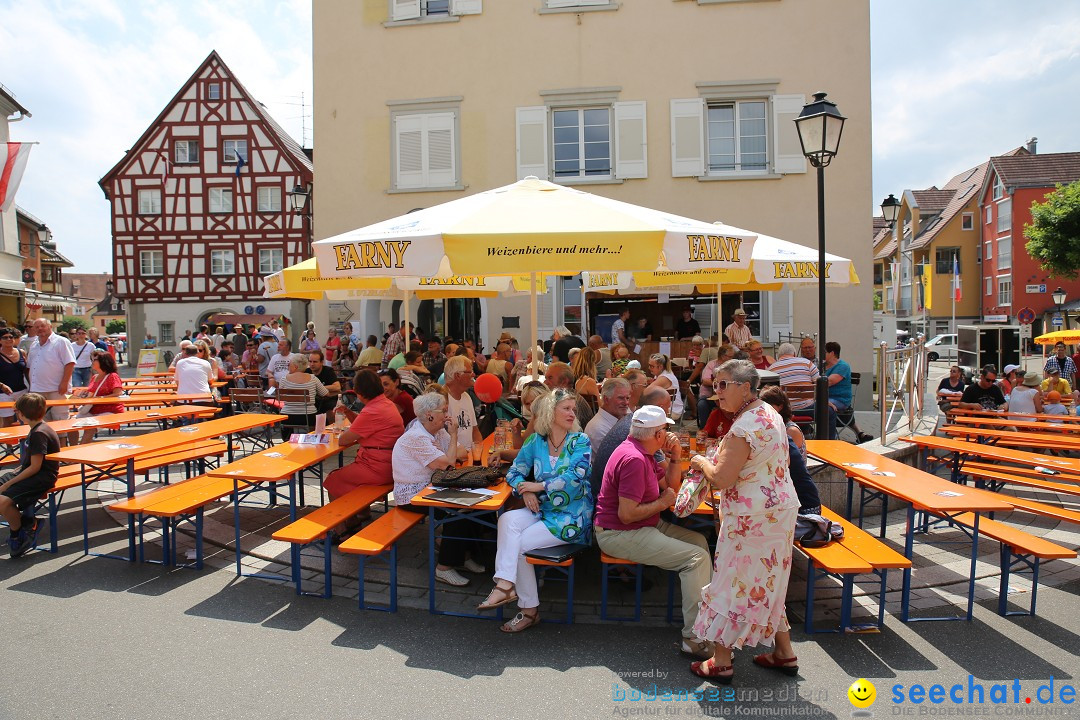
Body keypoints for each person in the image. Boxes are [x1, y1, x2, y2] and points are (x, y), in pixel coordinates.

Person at [687, 359, 801, 681]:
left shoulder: (743, 426)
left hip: (751, 518)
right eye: (715, 384)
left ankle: (720, 661)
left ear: (746, 387)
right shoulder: (771, 414)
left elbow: (722, 478)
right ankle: (784, 652)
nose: (716, 392)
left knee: (732, 582)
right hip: (779, 511)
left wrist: (699, 462)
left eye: (724, 385)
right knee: (768, 581)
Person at [594, 405, 713, 660]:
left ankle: (704, 622)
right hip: (619, 533)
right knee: (697, 559)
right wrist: (661, 503)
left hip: (640, 525)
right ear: (657, 434)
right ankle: (693, 638)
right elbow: (627, 514)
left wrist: (674, 456)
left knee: (700, 542)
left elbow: (670, 486)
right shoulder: (635, 459)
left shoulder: (642, 451)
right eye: (666, 430)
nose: (668, 434)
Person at [478, 389, 593, 632]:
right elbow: (514, 472)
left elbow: (575, 478)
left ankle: (525, 607)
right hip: (543, 508)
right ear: (550, 412)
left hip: (572, 517)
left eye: (574, 409)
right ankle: (507, 585)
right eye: (567, 408)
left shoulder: (580, 441)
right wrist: (526, 491)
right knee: (507, 519)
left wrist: (539, 486)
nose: (573, 413)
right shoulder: (536, 441)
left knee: (519, 544)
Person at [392, 392, 485, 586]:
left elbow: (460, 453)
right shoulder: (416, 437)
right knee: (457, 513)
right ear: (429, 415)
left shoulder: (436, 431)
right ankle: (444, 568)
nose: (447, 415)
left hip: (433, 487)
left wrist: (448, 449)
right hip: (411, 495)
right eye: (443, 411)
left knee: (474, 507)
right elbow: (449, 462)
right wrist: (452, 438)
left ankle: (462, 556)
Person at [324, 369, 404, 500]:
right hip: (390, 462)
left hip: (377, 466)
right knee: (347, 477)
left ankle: (346, 519)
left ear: (359, 393)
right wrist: (348, 412)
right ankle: (361, 514)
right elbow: (364, 425)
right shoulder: (386, 403)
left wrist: (341, 432)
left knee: (334, 479)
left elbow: (343, 440)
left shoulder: (372, 411)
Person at [0, 393, 61, 557]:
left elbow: (35, 468)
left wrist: (7, 484)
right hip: (30, 473)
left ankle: (20, 533)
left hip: (41, 478)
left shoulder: (39, 433)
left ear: (20, 413)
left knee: (3, 501)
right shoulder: (37, 428)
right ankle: (26, 522)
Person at [588, 386, 671, 499]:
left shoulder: (634, 423)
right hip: (608, 506)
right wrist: (676, 457)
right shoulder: (643, 435)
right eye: (665, 428)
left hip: (601, 498)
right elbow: (668, 484)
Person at [760, 386, 820, 514]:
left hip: (798, 492)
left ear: (780, 406)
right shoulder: (776, 427)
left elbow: (788, 463)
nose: (762, 409)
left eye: (767, 405)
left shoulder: (790, 430)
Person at [27, 318, 76, 424]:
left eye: (42, 326)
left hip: (57, 389)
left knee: (60, 420)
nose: (40, 329)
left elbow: (70, 363)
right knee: (40, 421)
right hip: (37, 389)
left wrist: (64, 383)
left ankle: (61, 441)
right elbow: (30, 366)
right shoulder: (34, 345)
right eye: (37, 327)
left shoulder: (61, 341)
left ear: (50, 326)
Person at [824, 341, 872, 443]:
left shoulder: (843, 366)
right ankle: (860, 434)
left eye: (825, 352)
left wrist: (814, 379)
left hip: (839, 399)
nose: (823, 355)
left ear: (832, 353)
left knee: (822, 406)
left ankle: (830, 438)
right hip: (828, 398)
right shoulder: (823, 366)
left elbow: (829, 382)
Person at [74, 352, 124, 445]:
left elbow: (117, 393)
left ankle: (78, 456)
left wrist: (100, 398)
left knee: (90, 428)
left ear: (103, 361)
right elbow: (92, 393)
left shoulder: (112, 376)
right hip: (92, 410)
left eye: (94, 359)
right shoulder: (94, 377)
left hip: (109, 411)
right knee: (70, 424)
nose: (92, 362)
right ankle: (71, 452)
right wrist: (81, 394)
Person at [275, 353, 329, 440]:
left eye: (290, 364)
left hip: (288, 416)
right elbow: (326, 393)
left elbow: (280, 396)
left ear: (295, 366)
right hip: (308, 416)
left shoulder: (284, 379)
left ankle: (287, 440)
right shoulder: (313, 378)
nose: (288, 366)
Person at [444, 355, 483, 456]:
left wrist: (478, 453)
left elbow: (475, 431)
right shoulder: (442, 400)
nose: (473, 374)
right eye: (469, 372)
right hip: (455, 459)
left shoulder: (466, 396)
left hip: (469, 456)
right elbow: (442, 441)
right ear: (457, 375)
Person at [768, 343, 819, 412]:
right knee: (830, 412)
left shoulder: (771, 370)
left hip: (785, 411)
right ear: (794, 354)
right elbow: (820, 383)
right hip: (809, 408)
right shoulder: (807, 363)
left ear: (778, 356)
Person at [544, 361, 595, 427]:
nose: (545, 382)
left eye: (550, 378)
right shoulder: (564, 398)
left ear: (564, 381)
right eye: (546, 378)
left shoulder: (570, 404)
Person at [584, 377, 631, 447]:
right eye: (621, 398)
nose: (626, 403)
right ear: (606, 399)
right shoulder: (599, 429)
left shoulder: (620, 416)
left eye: (627, 398)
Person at [696, 343, 735, 424]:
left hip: (728, 396)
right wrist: (721, 385)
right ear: (723, 356)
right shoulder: (712, 364)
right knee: (702, 405)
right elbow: (705, 381)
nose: (732, 359)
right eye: (730, 357)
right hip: (709, 396)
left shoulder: (733, 366)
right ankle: (705, 429)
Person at [0, 329, 28, 428]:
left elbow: (27, 371)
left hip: (22, 390)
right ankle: (8, 443)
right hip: (4, 393)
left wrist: (32, 386)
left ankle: (24, 442)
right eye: (5, 337)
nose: (9, 339)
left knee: (25, 418)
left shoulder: (22, 353)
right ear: (0, 340)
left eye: (11, 337)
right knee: (8, 420)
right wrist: (2, 385)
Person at [646, 353, 684, 419]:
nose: (649, 368)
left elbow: (647, 392)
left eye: (652, 366)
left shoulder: (665, 378)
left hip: (672, 411)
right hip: (671, 408)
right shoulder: (663, 373)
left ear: (660, 367)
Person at [305, 351, 341, 418]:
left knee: (330, 407)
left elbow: (337, 387)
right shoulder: (306, 371)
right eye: (310, 361)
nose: (312, 364)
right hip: (312, 401)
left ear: (321, 362)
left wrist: (319, 387)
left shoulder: (328, 371)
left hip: (327, 399)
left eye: (315, 362)